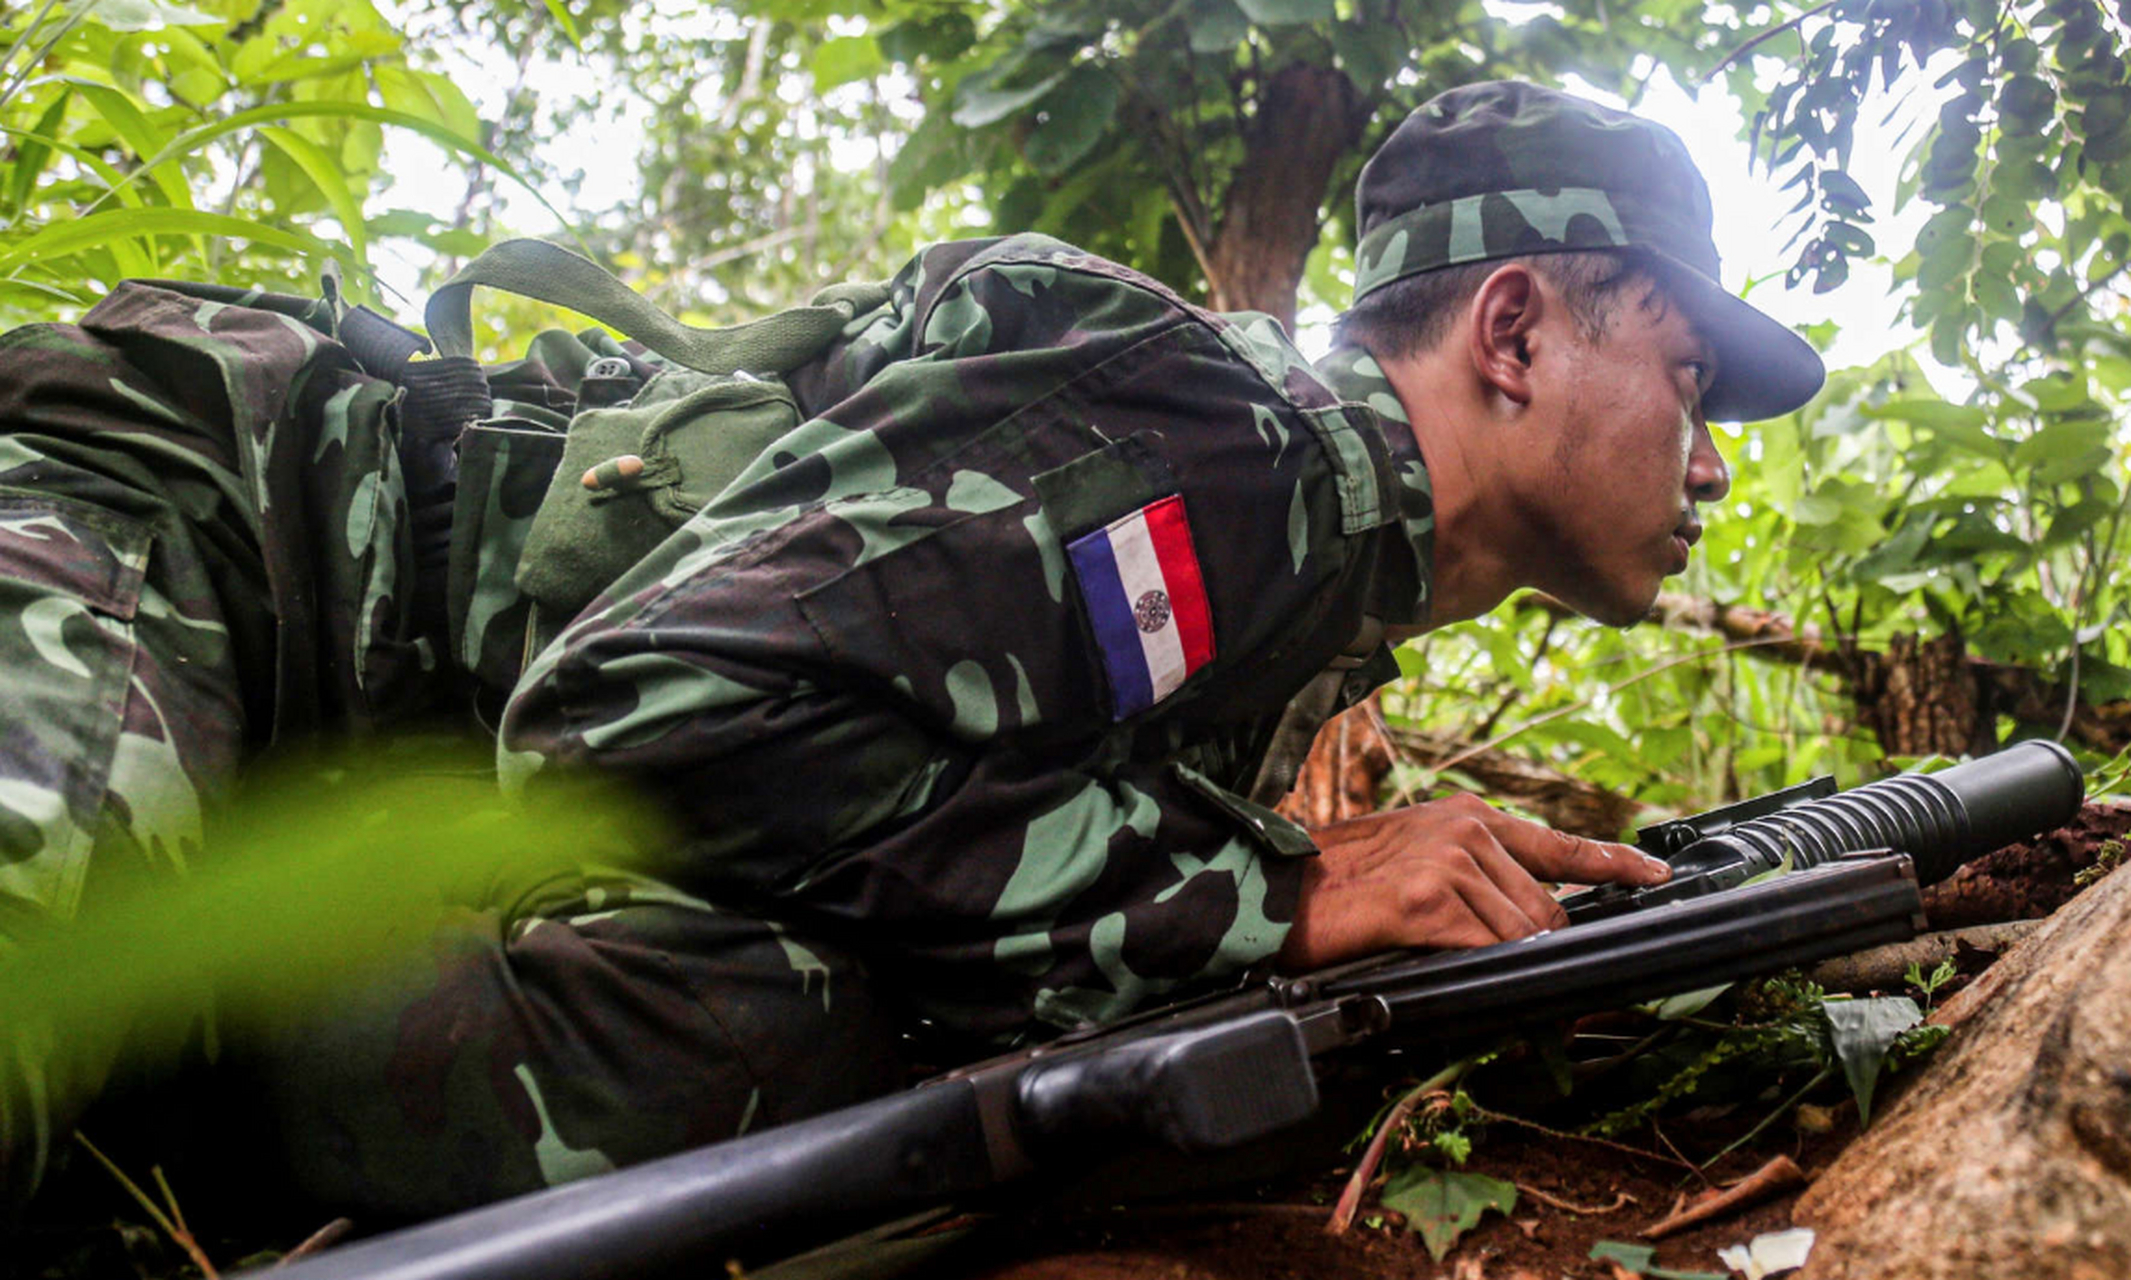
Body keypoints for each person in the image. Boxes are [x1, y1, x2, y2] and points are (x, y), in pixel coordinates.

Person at [0, 80, 1823, 1220]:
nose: (1717, 452)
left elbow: (883, 860)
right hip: (193, 516)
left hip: (354, 730)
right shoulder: (1230, 442)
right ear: (1513, 331)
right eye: (1688, 380)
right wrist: (1265, 891)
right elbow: (647, 714)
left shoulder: (1322, 588)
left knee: (798, 1025)